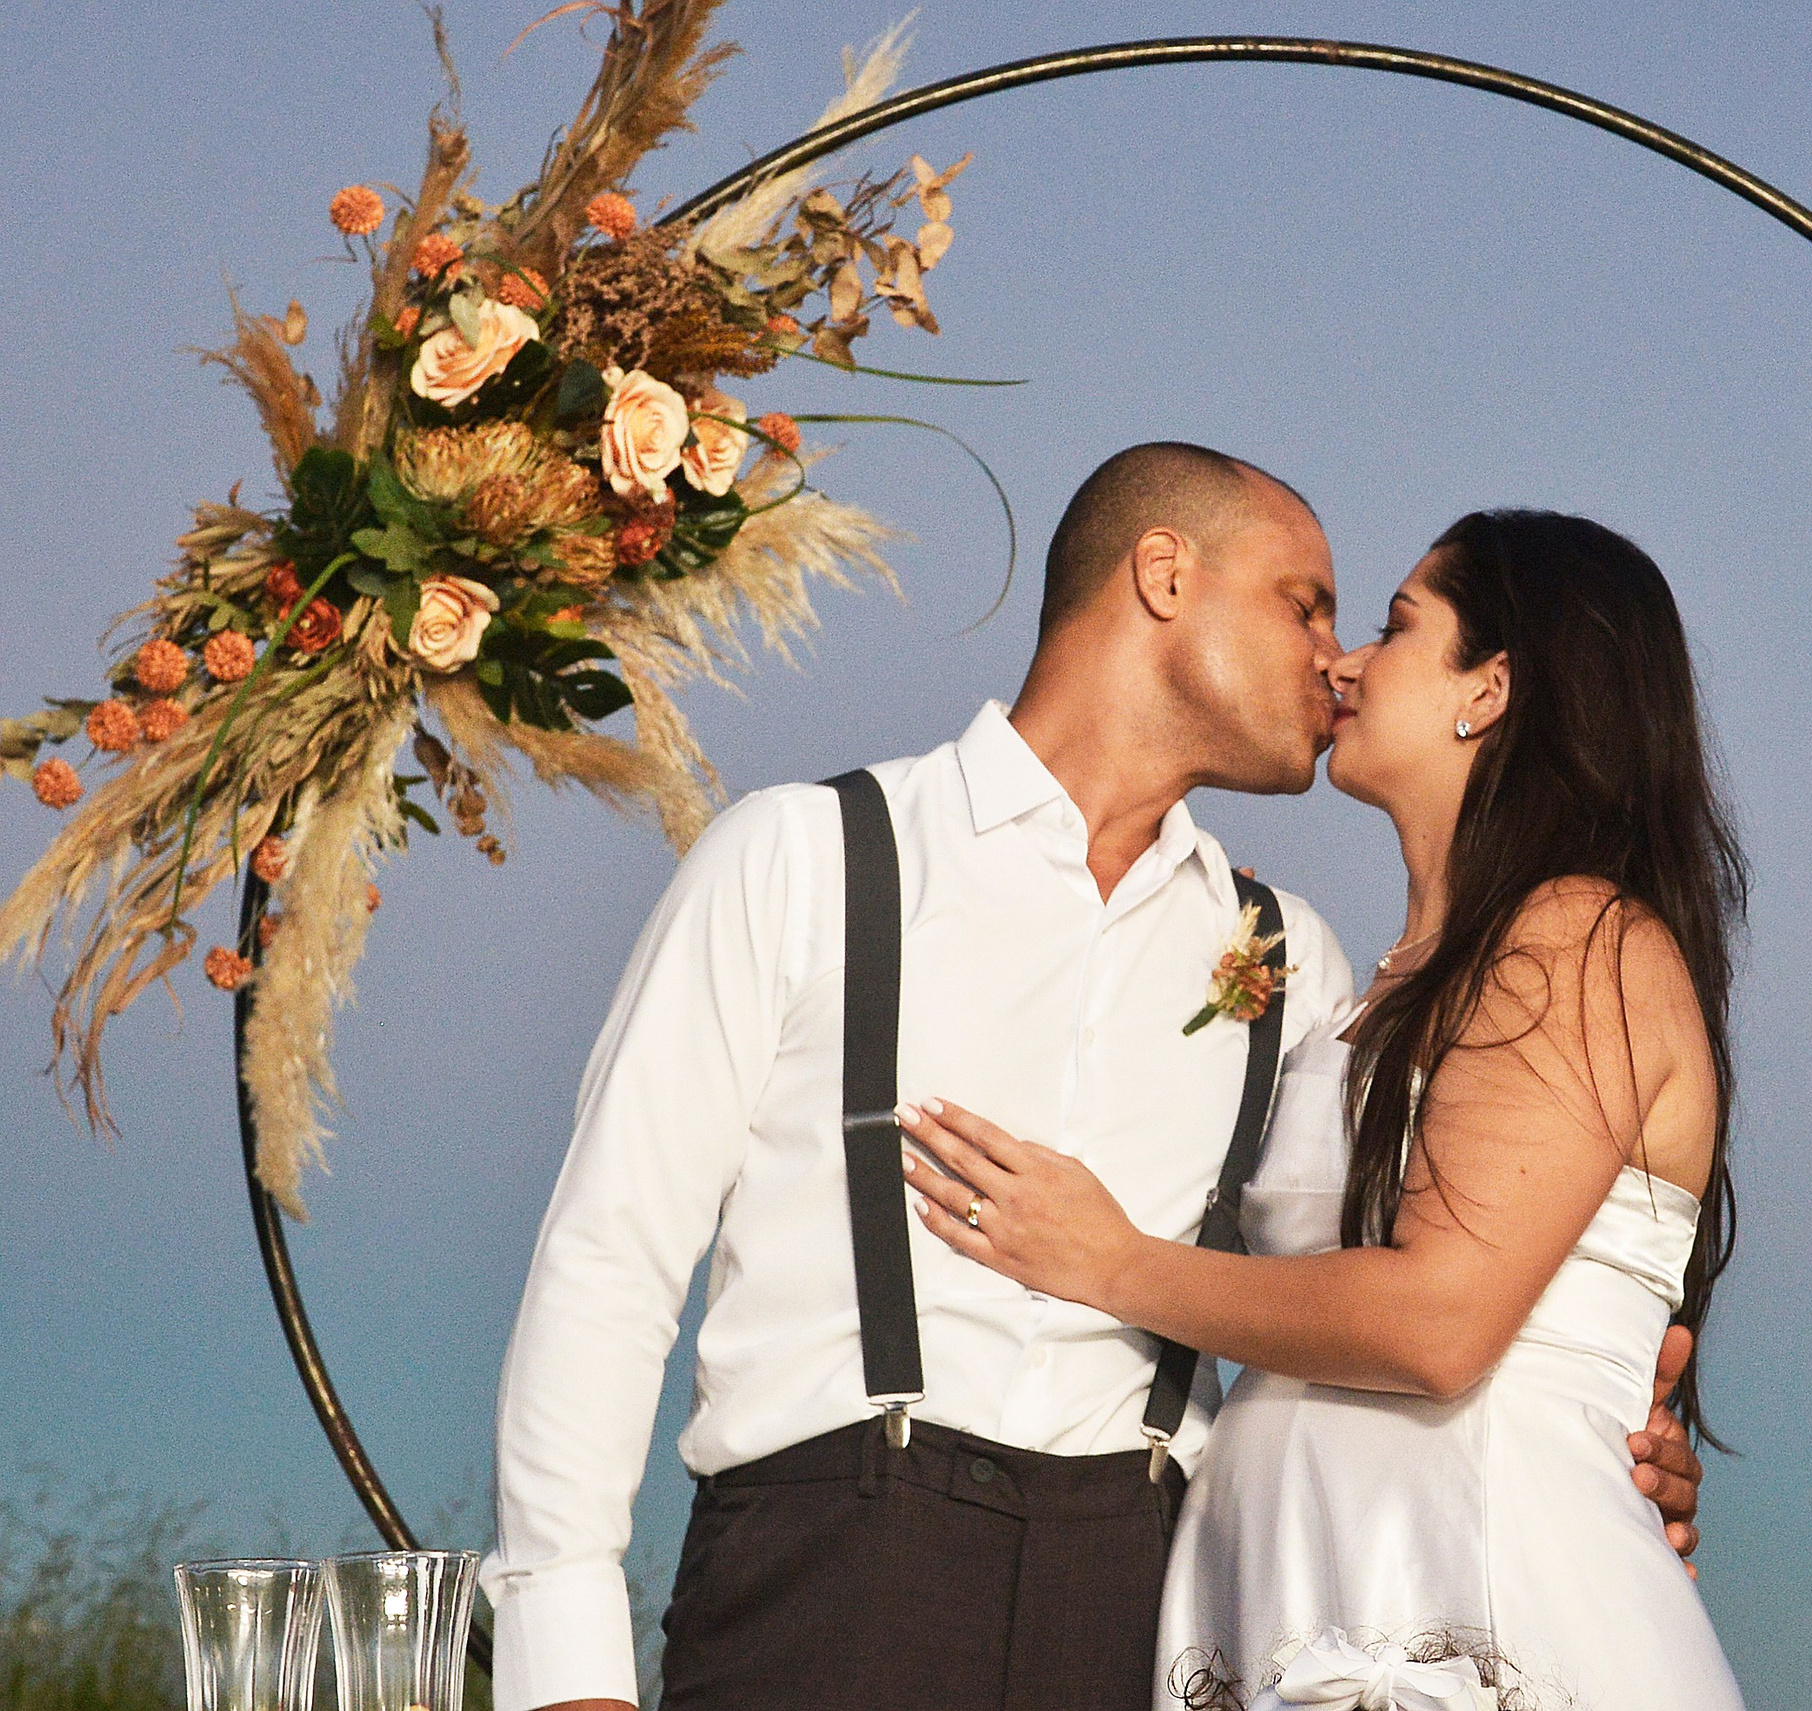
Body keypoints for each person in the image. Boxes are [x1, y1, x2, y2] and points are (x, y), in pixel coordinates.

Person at [482, 453, 1707, 1711]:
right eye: (1307, 605)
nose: (1336, 660)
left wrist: (1599, 1439)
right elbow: (610, 1259)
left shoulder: (1298, 965)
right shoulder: (805, 859)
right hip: (823, 1586)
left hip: (1137, 1612)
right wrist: (563, 1664)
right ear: (1165, 575)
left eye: (1367, 623)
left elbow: (1397, 1272)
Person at [898, 509, 1752, 1711]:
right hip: (1291, 1591)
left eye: (1397, 628)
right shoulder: (1374, 981)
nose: (1344, 661)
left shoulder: (1575, 939)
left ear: (1490, 688)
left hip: (1461, 1594)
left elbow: (1438, 1320)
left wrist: (1111, 1263)